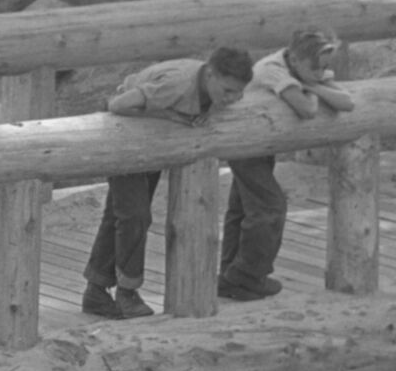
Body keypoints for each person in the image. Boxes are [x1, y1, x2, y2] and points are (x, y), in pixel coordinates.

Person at [80, 33, 351, 317]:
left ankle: (96, 292)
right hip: (125, 134)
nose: (231, 99)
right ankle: (127, 292)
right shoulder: (175, 86)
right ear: (210, 74)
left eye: (237, 93)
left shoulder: (214, 89)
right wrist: (171, 117)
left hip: (150, 142)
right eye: (227, 91)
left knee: (122, 215)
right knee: (134, 216)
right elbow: (117, 105)